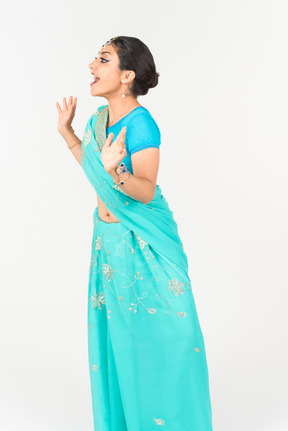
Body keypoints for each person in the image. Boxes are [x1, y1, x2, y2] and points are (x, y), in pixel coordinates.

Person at [56, 35, 214, 431]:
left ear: (127, 76)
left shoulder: (141, 123)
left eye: (103, 59)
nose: (91, 66)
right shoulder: (97, 122)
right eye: (95, 58)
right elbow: (95, 168)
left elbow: (144, 188)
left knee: (166, 339)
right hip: (110, 247)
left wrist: (118, 172)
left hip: (145, 244)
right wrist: (68, 133)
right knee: (121, 344)